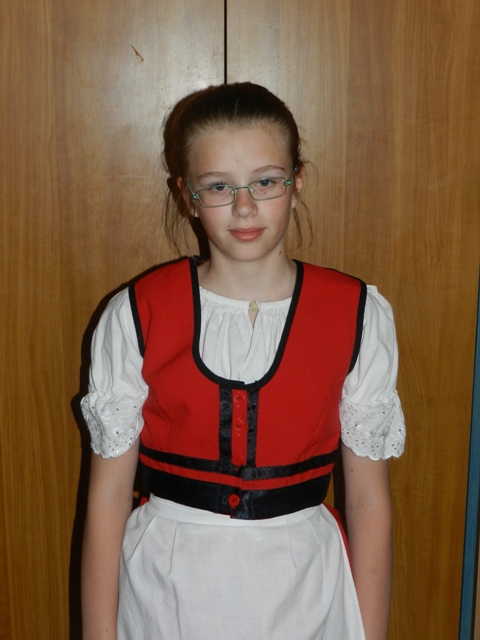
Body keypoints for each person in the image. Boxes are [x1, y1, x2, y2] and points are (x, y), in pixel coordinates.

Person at [80, 82, 406, 640]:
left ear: (297, 183)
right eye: (219, 186)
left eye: (266, 181)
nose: (244, 206)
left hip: (304, 590)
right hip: (166, 591)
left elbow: (368, 500)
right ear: (187, 196)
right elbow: (108, 497)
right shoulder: (138, 312)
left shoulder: (356, 314)